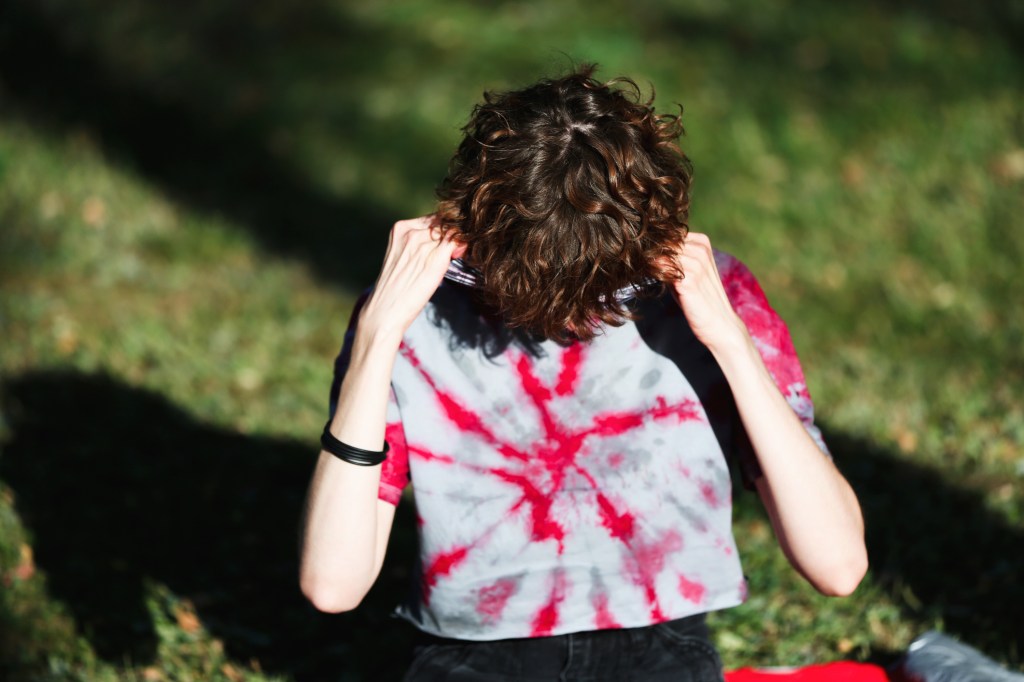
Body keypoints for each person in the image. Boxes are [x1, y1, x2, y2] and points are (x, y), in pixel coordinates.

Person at [298, 64, 868, 681]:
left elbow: (837, 565)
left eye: (616, 293)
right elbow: (333, 584)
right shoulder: (411, 313)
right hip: (472, 651)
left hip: (658, 642)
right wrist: (380, 333)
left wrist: (730, 342)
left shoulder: (712, 299)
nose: (569, 327)